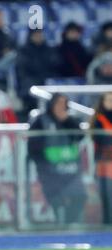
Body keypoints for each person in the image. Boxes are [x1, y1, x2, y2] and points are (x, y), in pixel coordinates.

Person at [28, 94, 87, 225]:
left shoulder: (71, 120)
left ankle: (68, 224)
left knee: (80, 197)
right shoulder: (40, 121)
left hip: (70, 170)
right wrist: (42, 162)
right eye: (58, 103)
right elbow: (32, 145)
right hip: (49, 171)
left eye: (64, 103)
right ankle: (60, 226)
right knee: (57, 201)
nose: (61, 107)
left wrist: (67, 121)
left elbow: (80, 136)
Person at [90, 92, 112, 225]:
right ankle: (107, 223)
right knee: (106, 197)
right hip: (104, 164)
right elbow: (97, 138)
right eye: (108, 100)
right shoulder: (99, 120)